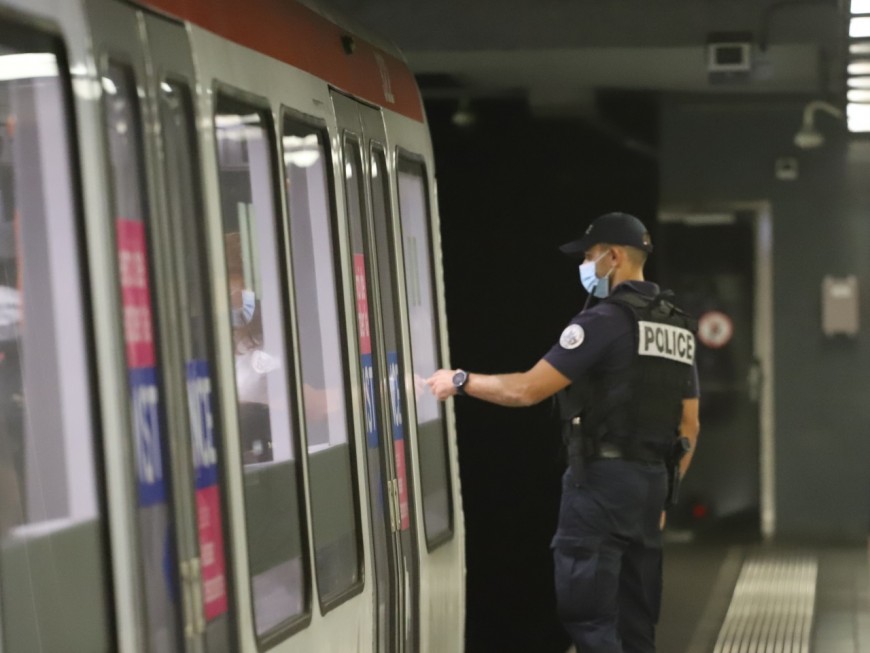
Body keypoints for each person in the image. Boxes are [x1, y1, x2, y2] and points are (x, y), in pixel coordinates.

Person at [427, 212, 700, 653]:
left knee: (589, 617)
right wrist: (665, 496)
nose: (585, 266)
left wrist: (460, 381)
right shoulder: (677, 326)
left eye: (590, 256)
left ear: (614, 257)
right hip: (651, 485)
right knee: (636, 623)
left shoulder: (603, 321)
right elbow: (690, 425)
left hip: (601, 485)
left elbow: (526, 390)